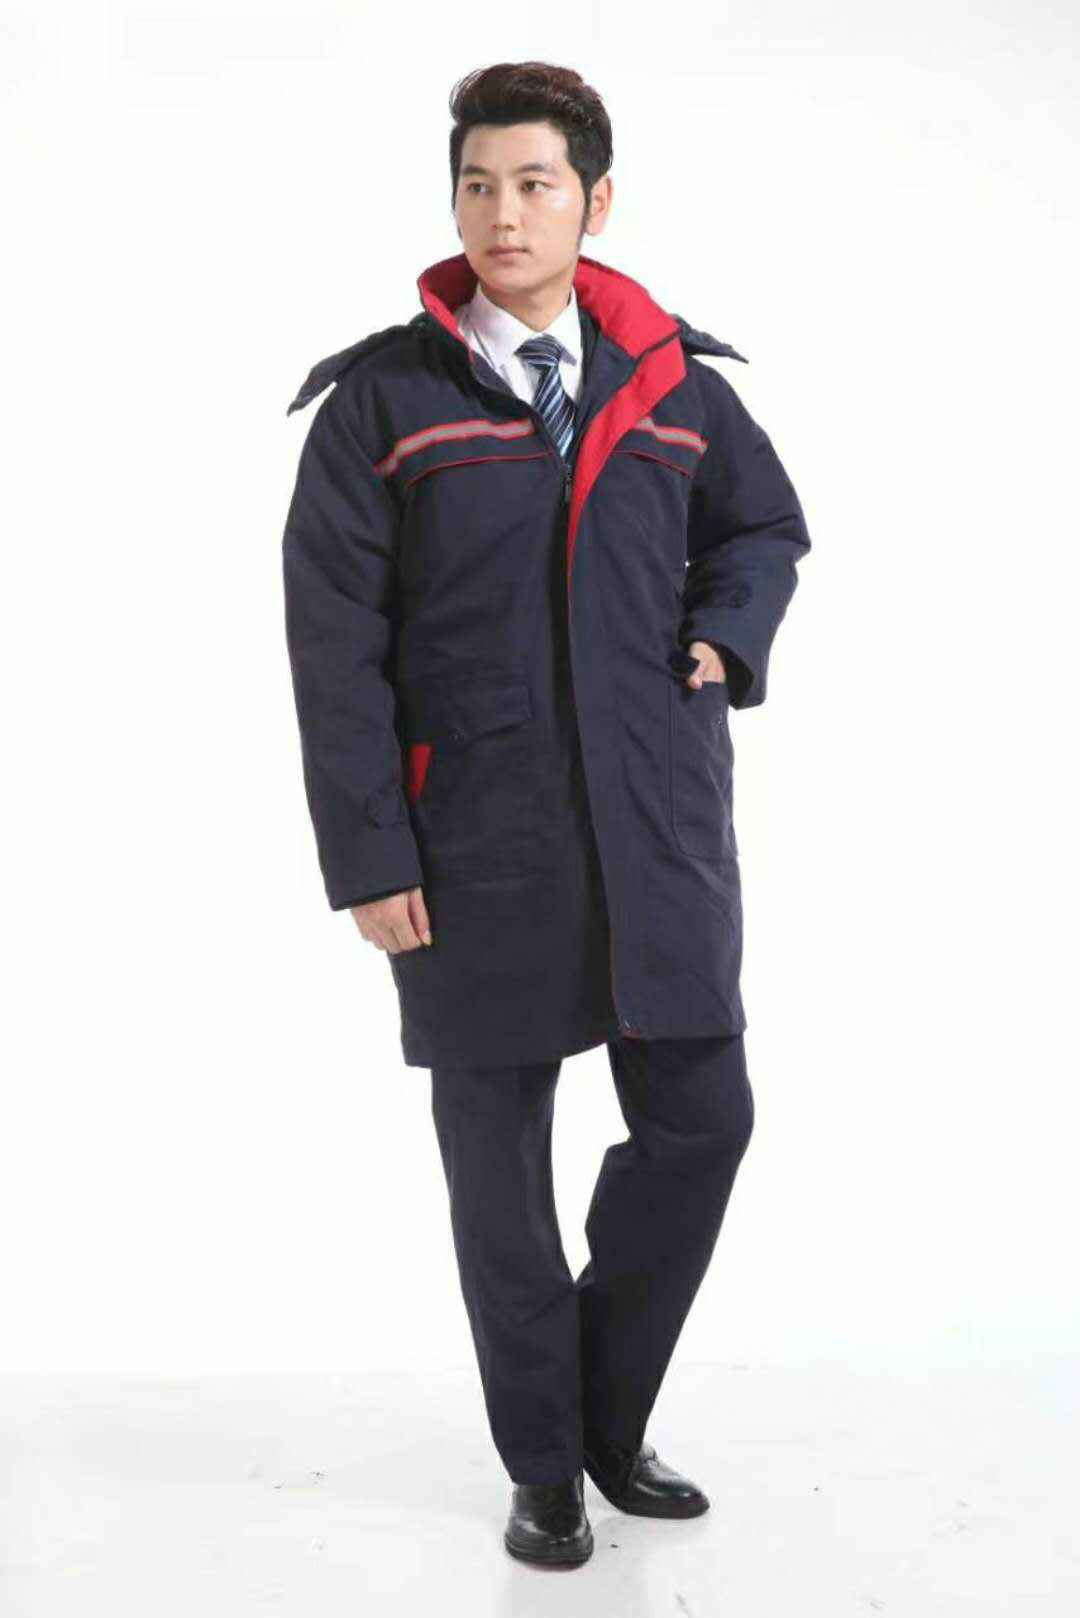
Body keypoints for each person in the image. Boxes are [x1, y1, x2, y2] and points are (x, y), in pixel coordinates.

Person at [281, 60, 811, 1569]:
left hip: (656, 822)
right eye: (478, 185)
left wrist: (726, 635)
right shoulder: (384, 402)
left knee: (704, 1121)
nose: (503, 214)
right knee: (498, 1173)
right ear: (454, 201)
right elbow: (333, 647)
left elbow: (764, 526)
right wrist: (370, 854)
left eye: (534, 183)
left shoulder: (673, 383)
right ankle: (544, 1466)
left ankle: (601, 1415)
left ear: (595, 199)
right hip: (472, 841)